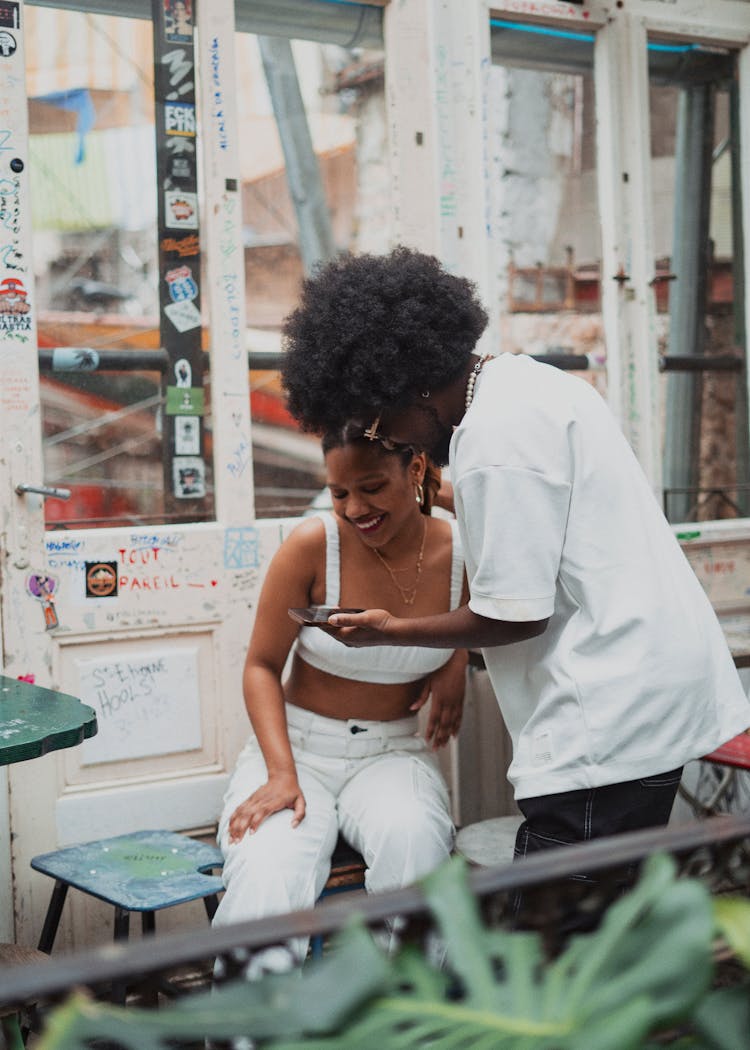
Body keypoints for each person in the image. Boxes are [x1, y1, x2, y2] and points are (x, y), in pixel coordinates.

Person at [280, 245, 750, 865]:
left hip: (606, 716)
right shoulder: (527, 383)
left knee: (560, 936)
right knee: (606, 926)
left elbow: (514, 615)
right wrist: (398, 496)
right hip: (648, 685)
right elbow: (531, 513)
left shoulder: (492, 441)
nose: (387, 438)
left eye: (379, 423)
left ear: (408, 385)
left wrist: (391, 632)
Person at [212, 425, 467, 963]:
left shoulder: (462, 554)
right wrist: (281, 774)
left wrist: (456, 658)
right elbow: (260, 666)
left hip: (392, 752)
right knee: (268, 875)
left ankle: (399, 1022)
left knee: (417, 849)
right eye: (340, 492)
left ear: (415, 469)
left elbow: (481, 619)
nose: (355, 508)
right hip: (297, 751)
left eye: (372, 487)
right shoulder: (313, 545)